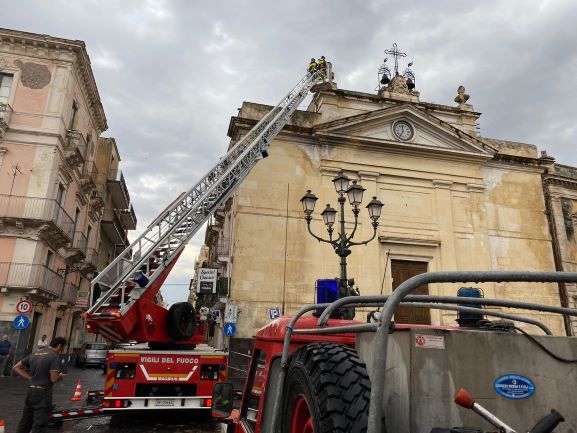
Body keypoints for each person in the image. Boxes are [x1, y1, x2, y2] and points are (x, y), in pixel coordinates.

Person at [13, 336, 67, 433]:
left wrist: (30, 378)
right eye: (62, 348)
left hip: (31, 391)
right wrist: (61, 377)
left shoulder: (35, 353)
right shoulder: (54, 356)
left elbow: (16, 367)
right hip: (43, 393)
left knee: (25, 422)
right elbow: (53, 379)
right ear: (59, 345)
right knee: (40, 424)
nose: (61, 350)